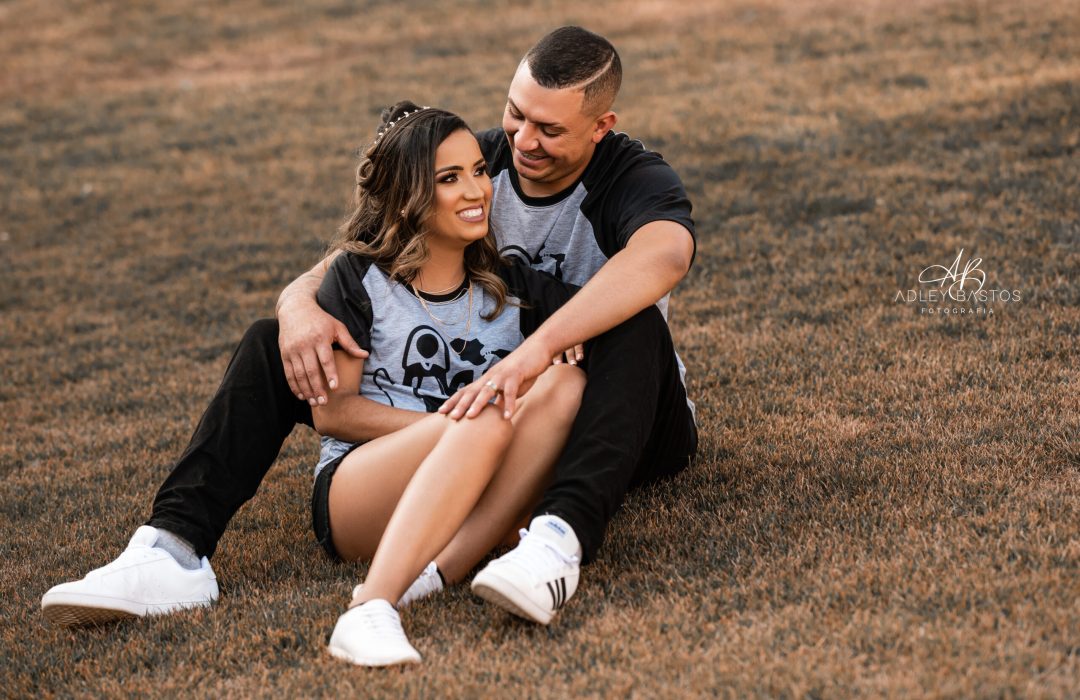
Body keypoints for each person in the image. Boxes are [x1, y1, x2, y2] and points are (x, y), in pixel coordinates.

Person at [42, 25, 697, 629]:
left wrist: (544, 347)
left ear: (601, 127)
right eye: (515, 113)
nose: (524, 141)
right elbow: (369, 249)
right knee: (272, 344)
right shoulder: (480, 164)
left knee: (633, 324)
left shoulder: (629, 177)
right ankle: (173, 549)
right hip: (493, 410)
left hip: (621, 408)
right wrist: (297, 303)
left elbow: (665, 256)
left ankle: (557, 541)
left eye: (549, 129)